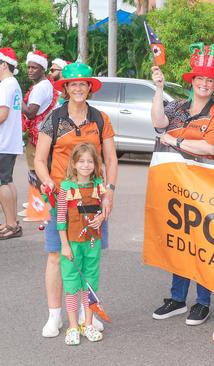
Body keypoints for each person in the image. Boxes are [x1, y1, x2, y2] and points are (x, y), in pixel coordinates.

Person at [35, 61, 118, 338]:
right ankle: (55, 315)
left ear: (89, 88)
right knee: (57, 256)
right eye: (73, 84)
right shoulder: (54, 119)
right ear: (66, 88)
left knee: (89, 258)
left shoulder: (100, 118)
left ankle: (87, 312)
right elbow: (39, 159)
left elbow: (110, 159)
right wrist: (48, 183)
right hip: (60, 199)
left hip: (92, 199)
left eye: (83, 83)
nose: (79, 88)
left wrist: (110, 192)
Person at [150, 43, 214, 327]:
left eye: (210, 80)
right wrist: (158, 88)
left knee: (204, 243)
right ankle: (177, 298)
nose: (204, 84)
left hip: (206, 186)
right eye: (200, 79)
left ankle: (203, 302)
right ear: (192, 81)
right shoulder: (178, 106)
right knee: (179, 241)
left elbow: (211, 147)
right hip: (175, 186)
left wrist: (177, 140)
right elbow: (159, 123)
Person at [57, 143, 106, 345]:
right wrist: (65, 245)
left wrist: (102, 217)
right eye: (82, 161)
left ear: (95, 164)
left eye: (90, 161)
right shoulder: (66, 188)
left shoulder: (98, 185)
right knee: (71, 283)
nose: (86, 165)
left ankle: (88, 323)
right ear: (74, 164)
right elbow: (61, 218)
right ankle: (72, 326)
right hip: (72, 244)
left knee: (90, 283)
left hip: (92, 243)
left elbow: (103, 209)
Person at [19, 49, 56, 220]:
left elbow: (31, 113)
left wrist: (18, 99)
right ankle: (40, 208)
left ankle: (39, 210)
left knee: (37, 172)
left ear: (42, 69)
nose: (30, 70)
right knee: (41, 172)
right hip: (42, 134)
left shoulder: (41, 88)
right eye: (29, 67)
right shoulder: (45, 85)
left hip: (38, 135)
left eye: (35, 67)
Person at [0, 47, 23, 240]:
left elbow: (2, 114)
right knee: (7, 181)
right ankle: (12, 222)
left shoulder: (5, 85)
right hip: (10, 141)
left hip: (3, 142)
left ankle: (10, 225)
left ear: (3, 64)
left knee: (2, 183)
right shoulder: (13, 83)